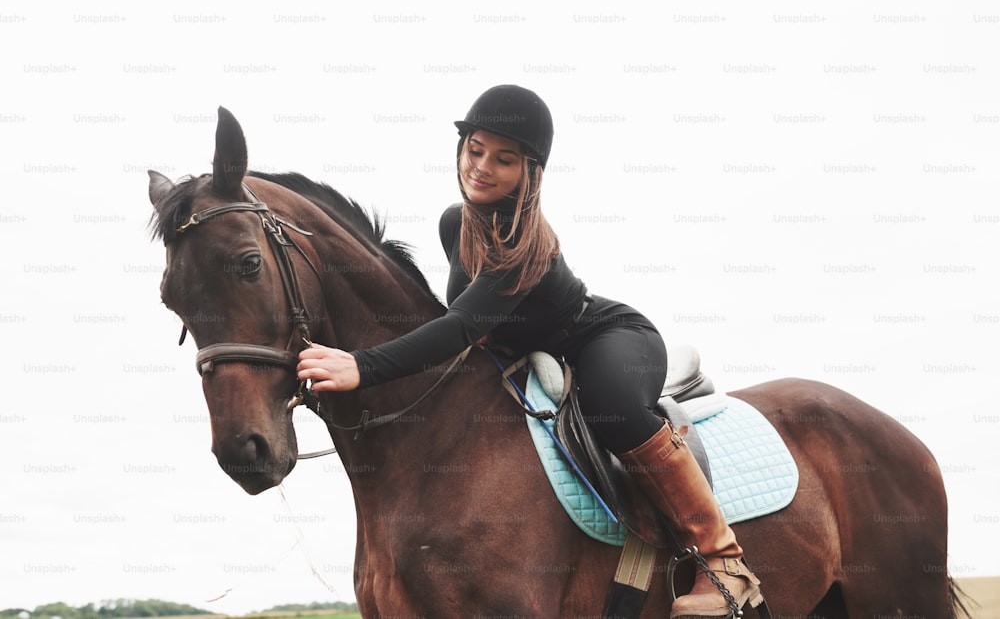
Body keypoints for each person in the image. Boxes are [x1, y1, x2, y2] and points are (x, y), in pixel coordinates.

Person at [297, 84, 760, 618]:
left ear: (530, 171)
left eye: (505, 158)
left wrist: (362, 365)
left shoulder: (524, 244)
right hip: (536, 354)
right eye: (475, 150)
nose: (483, 167)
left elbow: (460, 327)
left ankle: (724, 560)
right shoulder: (458, 221)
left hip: (606, 337)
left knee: (614, 404)